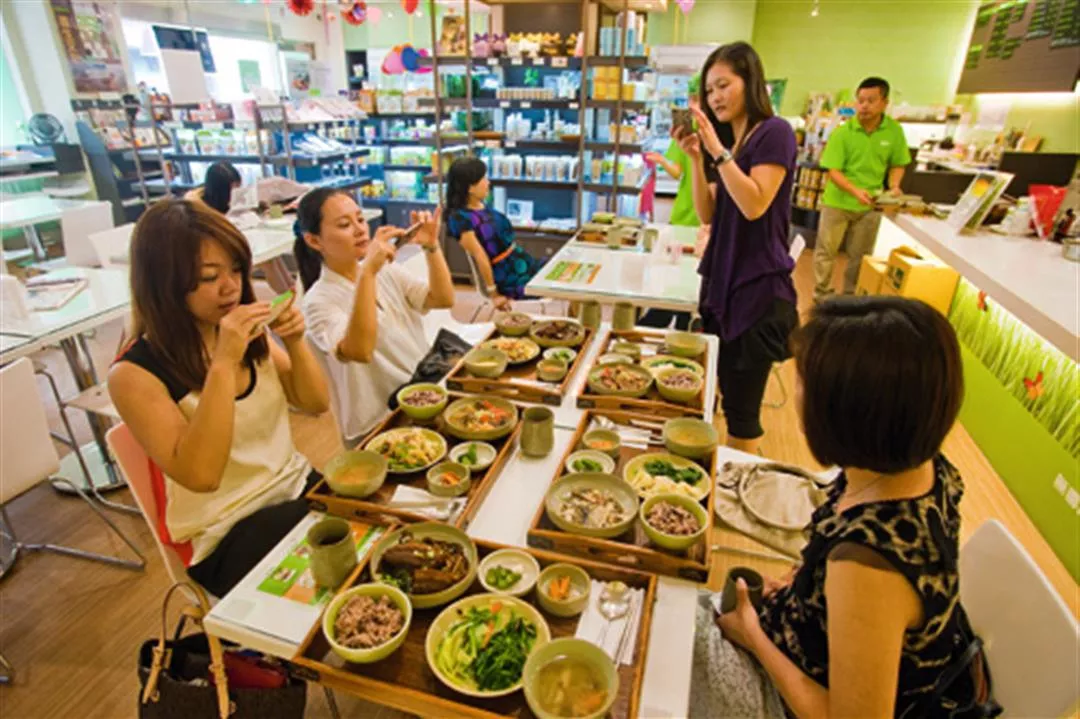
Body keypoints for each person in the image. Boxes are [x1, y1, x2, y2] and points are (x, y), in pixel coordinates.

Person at [691, 296, 992, 719]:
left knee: (658, 631)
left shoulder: (870, 564)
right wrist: (799, 588)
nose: (796, 393)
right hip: (802, 641)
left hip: (784, 700)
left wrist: (753, 635)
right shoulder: (917, 465)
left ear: (848, 414)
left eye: (803, 383)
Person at [107, 199, 330, 598]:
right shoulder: (134, 374)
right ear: (164, 284)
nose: (231, 287)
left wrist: (295, 341)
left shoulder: (241, 328)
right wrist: (224, 362)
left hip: (295, 485)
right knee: (345, 589)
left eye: (237, 269)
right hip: (226, 530)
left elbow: (315, 402)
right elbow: (202, 475)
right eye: (209, 277)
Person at [673, 42, 799, 454]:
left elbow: (755, 203)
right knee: (715, 390)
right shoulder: (734, 143)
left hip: (756, 290)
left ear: (750, 80)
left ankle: (736, 486)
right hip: (723, 283)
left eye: (723, 85)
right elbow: (707, 212)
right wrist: (696, 159)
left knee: (742, 414)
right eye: (709, 91)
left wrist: (717, 152)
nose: (715, 98)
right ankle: (716, 477)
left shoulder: (775, 132)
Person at [295, 188, 454, 446]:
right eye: (344, 225)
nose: (360, 229)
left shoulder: (386, 271)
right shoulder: (318, 301)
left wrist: (431, 246)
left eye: (360, 219)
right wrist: (368, 272)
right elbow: (359, 350)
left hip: (425, 391)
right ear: (314, 241)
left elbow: (442, 299)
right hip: (382, 423)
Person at [813, 76, 911, 302]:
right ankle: (821, 296)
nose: (864, 106)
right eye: (861, 100)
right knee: (826, 251)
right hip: (837, 202)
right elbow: (833, 170)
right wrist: (855, 191)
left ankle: (851, 298)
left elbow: (898, 163)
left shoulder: (894, 131)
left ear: (884, 103)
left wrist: (894, 186)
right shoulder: (843, 132)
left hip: (871, 205)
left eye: (871, 100)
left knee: (860, 256)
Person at [639, 75, 703, 332]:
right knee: (687, 281)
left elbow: (676, 172)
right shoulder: (700, 134)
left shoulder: (694, 133)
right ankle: (680, 327)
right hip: (695, 217)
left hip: (689, 215)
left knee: (679, 281)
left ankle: (660, 322)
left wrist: (661, 161)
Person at [444, 157, 545, 310]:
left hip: (521, 263)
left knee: (566, 272)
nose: (488, 182)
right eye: (483, 179)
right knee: (562, 283)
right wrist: (494, 293)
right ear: (470, 187)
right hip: (508, 276)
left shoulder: (480, 205)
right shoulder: (459, 218)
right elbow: (480, 256)